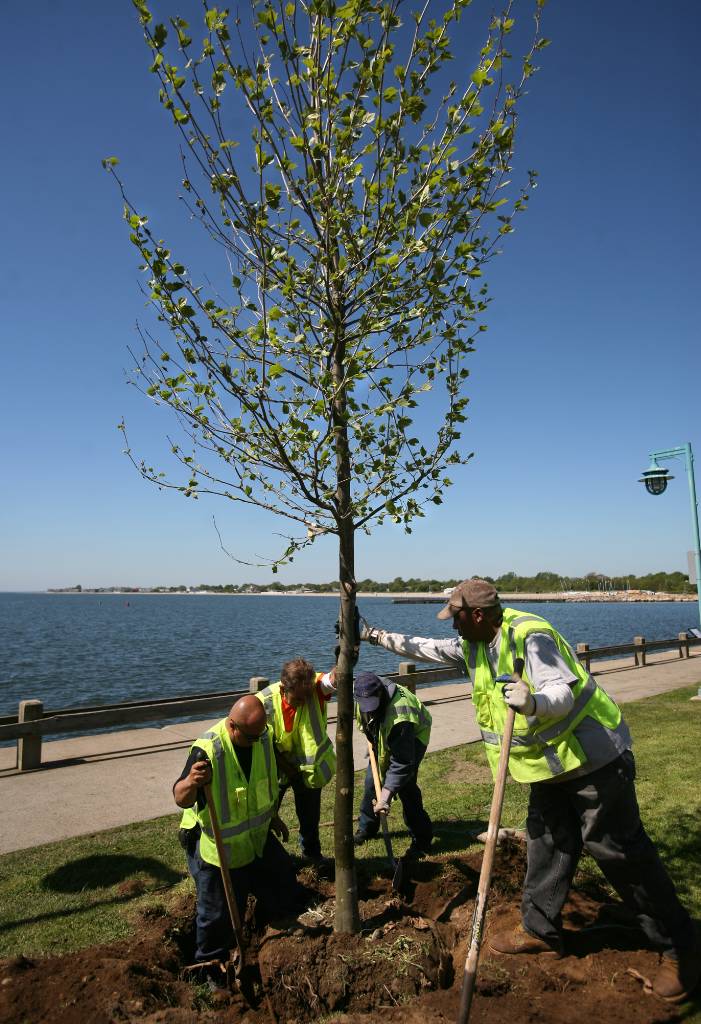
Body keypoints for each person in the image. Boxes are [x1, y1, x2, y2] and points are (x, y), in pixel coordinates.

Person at [359, 578, 700, 1003]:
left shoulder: (530, 637)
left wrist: (532, 702)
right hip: (550, 768)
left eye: (457, 618)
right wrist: (374, 635)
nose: (453, 628)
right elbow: (426, 648)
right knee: (546, 842)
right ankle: (539, 928)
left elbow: (562, 691)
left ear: (478, 615)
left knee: (618, 851)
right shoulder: (474, 644)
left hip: (595, 762)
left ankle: (680, 947)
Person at [174, 694, 299, 986]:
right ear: (233, 727)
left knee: (284, 884)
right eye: (252, 737)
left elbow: (263, 782)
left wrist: (273, 817)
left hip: (255, 838)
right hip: (216, 846)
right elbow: (180, 796)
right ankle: (209, 969)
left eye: (260, 735)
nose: (258, 741)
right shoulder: (208, 750)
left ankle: (274, 936)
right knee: (217, 913)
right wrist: (192, 782)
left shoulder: (261, 737)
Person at [256, 657, 336, 864]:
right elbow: (259, 741)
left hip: (307, 769)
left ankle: (311, 855)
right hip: (274, 767)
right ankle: (261, 857)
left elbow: (334, 679)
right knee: (263, 814)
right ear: (284, 688)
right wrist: (286, 767)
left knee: (309, 816)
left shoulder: (315, 689)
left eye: (307, 696)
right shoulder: (263, 702)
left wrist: (343, 657)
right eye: (299, 698)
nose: (304, 702)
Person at [353, 670, 433, 858]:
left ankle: (422, 839)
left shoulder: (400, 714)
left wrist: (386, 797)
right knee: (372, 782)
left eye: (373, 706)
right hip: (385, 731)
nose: (369, 709)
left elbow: (402, 762)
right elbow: (367, 721)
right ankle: (367, 828)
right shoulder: (363, 695)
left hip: (413, 736)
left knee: (406, 786)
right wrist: (373, 741)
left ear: (380, 695)